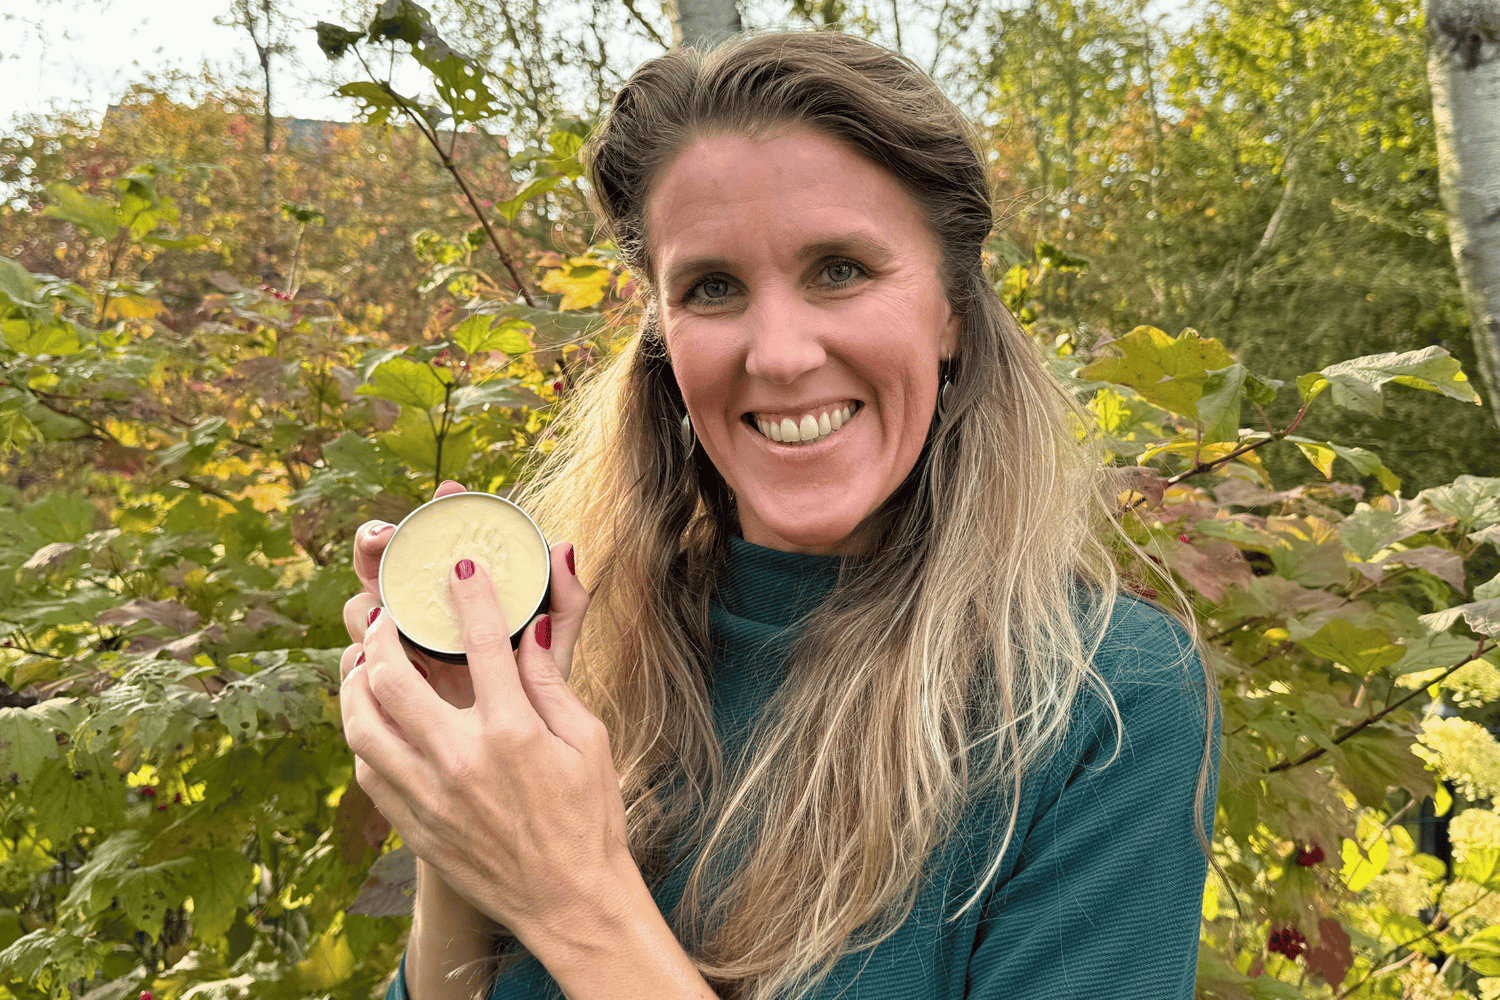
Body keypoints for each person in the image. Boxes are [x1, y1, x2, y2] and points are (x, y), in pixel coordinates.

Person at [337, 28, 1220, 1000]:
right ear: (665, 338)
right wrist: (454, 816)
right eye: (712, 287)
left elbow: (571, 912)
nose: (782, 353)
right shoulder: (579, 647)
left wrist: (573, 900)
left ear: (954, 308)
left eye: (840, 268)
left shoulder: (1102, 699)